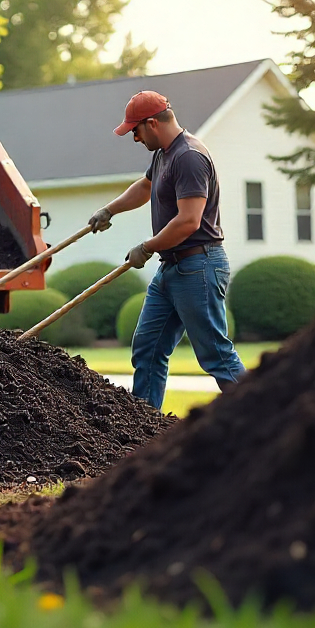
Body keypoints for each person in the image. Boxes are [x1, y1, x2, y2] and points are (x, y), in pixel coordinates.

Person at [87, 90, 245, 409]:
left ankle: (269, 419)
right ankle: (141, 433)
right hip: (172, 268)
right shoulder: (164, 154)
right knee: (148, 349)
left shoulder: (189, 157)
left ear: (151, 124)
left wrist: (146, 247)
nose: (134, 138)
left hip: (198, 266)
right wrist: (110, 210)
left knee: (216, 355)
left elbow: (188, 221)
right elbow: (146, 187)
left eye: (135, 130)